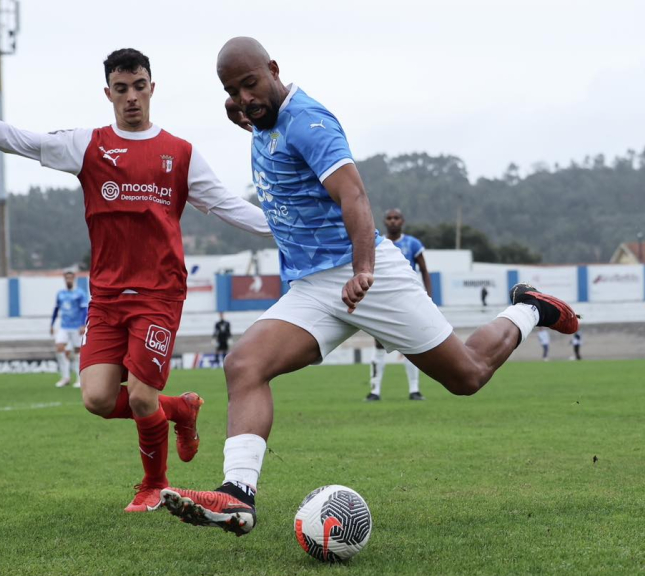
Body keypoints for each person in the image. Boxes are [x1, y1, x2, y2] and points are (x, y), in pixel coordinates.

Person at [158, 37, 579, 536]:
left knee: (467, 375)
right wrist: (242, 106)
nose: (245, 98)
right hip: (312, 287)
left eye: (251, 84)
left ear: (274, 69)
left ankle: (529, 308)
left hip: (366, 273)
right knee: (244, 365)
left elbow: (353, 193)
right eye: (233, 90)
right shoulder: (258, 113)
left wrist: (363, 269)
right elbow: (246, 107)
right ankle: (237, 495)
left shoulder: (310, 122)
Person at [0, 47, 272, 512]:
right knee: (95, 398)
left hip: (158, 295)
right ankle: (180, 409)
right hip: (107, 297)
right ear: (108, 93)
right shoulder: (87, 145)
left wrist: (289, 226)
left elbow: (229, 206)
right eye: (121, 89)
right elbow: (20, 140)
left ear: (152, 88)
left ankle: (153, 485)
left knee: (138, 398)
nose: (131, 97)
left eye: (138, 87)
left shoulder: (180, 153)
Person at [366, 208, 432, 402]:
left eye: (396, 218)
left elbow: (425, 271)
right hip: (381, 299)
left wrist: (428, 297)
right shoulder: (377, 243)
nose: (393, 221)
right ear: (384, 221)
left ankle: (414, 390)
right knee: (378, 344)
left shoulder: (412, 244)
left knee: (410, 345)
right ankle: (374, 391)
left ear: (402, 221)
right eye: (389, 218)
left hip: (406, 299)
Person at [51, 270, 89, 388]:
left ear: (74, 279)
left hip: (76, 327)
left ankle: (79, 379)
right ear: (64, 279)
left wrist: (83, 325)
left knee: (78, 352)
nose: (68, 280)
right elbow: (56, 309)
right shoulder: (60, 294)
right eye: (66, 278)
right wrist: (52, 324)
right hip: (64, 326)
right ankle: (65, 377)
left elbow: (84, 310)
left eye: (70, 278)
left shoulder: (80, 293)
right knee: (59, 348)